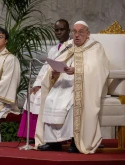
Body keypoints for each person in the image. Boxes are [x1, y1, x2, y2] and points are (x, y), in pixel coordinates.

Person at [37, 21, 109, 154]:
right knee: (51, 99)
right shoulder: (68, 46)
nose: (76, 35)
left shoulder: (95, 47)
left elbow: (99, 69)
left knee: (72, 102)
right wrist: (54, 72)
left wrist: (77, 71)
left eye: (80, 32)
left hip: (84, 84)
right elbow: (57, 62)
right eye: (74, 32)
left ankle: (76, 141)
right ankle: (53, 142)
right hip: (64, 82)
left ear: (87, 34)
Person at [17, 19, 70, 144]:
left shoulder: (72, 47)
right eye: (56, 30)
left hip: (63, 82)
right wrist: (37, 84)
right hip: (50, 81)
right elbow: (44, 68)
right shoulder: (53, 50)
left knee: (43, 97)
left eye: (62, 29)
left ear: (68, 30)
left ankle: (47, 136)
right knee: (34, 94)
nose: (59, 32)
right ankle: (31, 134)